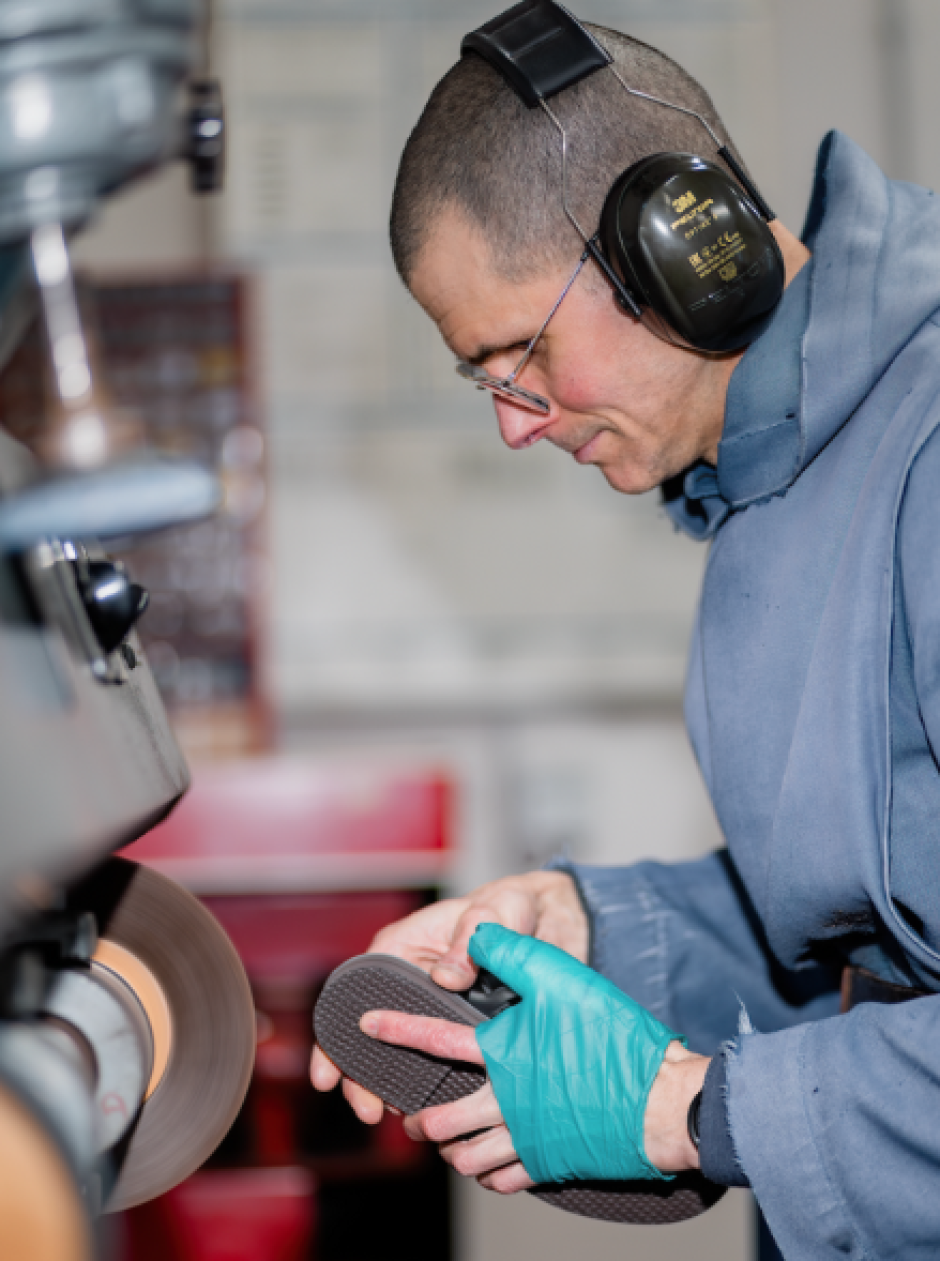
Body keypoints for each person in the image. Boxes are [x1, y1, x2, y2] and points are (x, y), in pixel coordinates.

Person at [312, 6, 940, 1257]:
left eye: (521, 357)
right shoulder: (773, 475)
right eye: (484, 381)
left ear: (673, 249)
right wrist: (588, 924)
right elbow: (874, 925)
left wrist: (697, 1111)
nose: (515, 423)